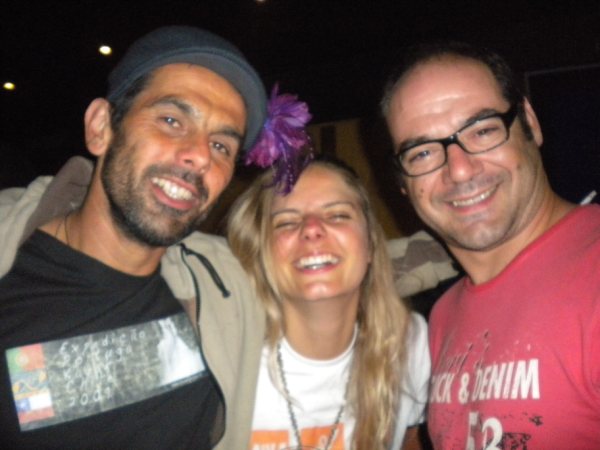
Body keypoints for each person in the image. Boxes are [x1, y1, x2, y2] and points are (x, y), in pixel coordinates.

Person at [0, 25, 269, 449]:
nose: (200, 156)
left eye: (221, 146)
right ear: (101, 127)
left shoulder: (226, 279)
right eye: (171, 120)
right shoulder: (11, 270)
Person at [381, 41, 600, 448]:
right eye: (422, 152)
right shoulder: (443, 318)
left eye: (482, 130)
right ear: (403, 183)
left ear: (530, 123)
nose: (460, 170)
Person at [228, 157, 431, 450]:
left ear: (371, 245)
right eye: (286, 222)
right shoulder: (225, 357)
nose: (312, 229)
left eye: (337, 215)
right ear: (261, 251)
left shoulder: (408, 343)